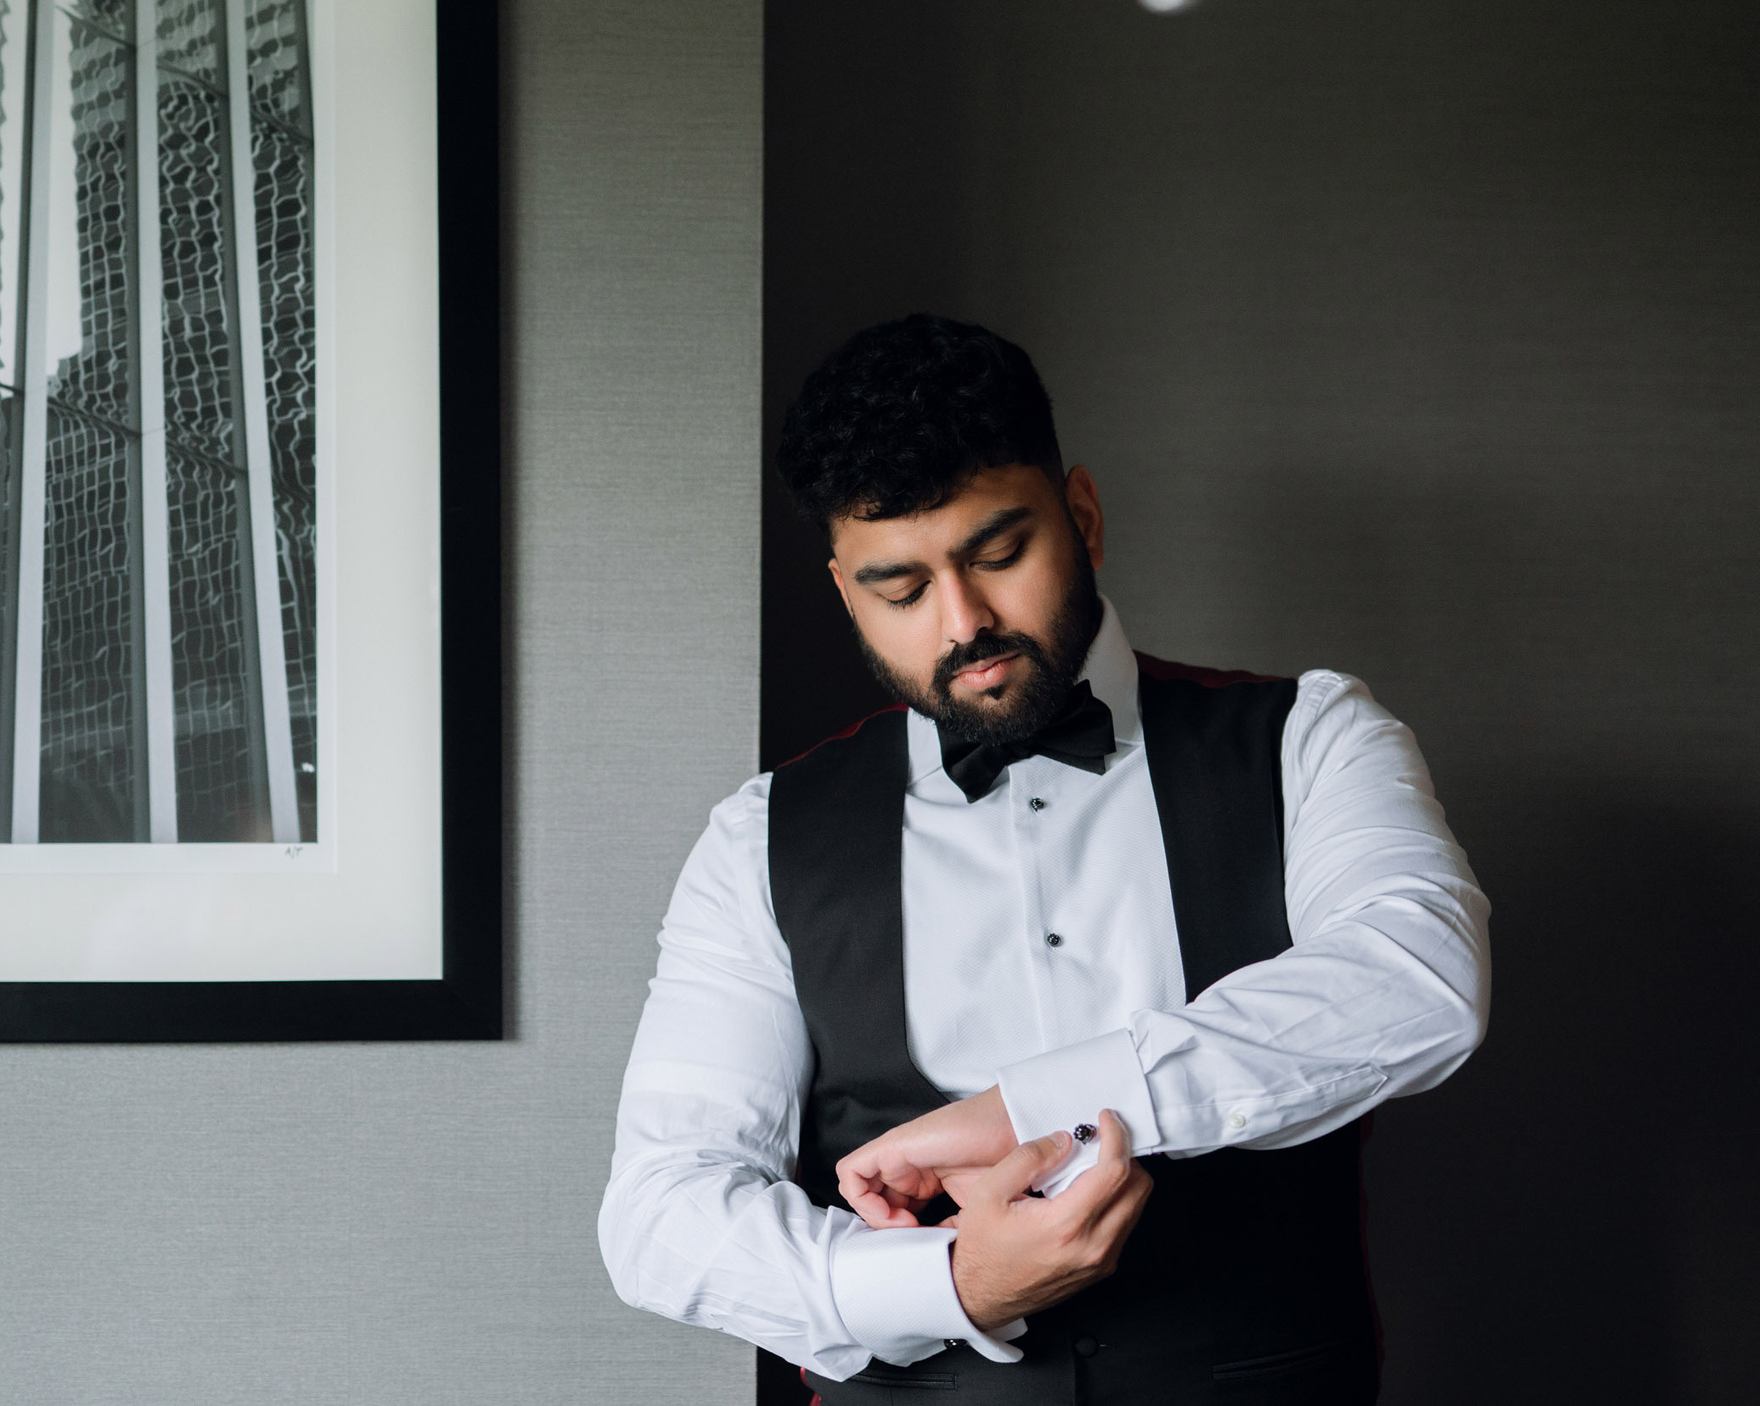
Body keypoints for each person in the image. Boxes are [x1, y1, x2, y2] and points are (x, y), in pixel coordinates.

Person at [598, 316, 1489, 1403]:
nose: (963, 622)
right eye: (900, 589)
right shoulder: (758, 837)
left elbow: (1418, 976)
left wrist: (1027, 1108)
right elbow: (659, 1211)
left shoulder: (1310, 736)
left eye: (998, 554)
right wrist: (948, 1285)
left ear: (1083, 515)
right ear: (844, 590)